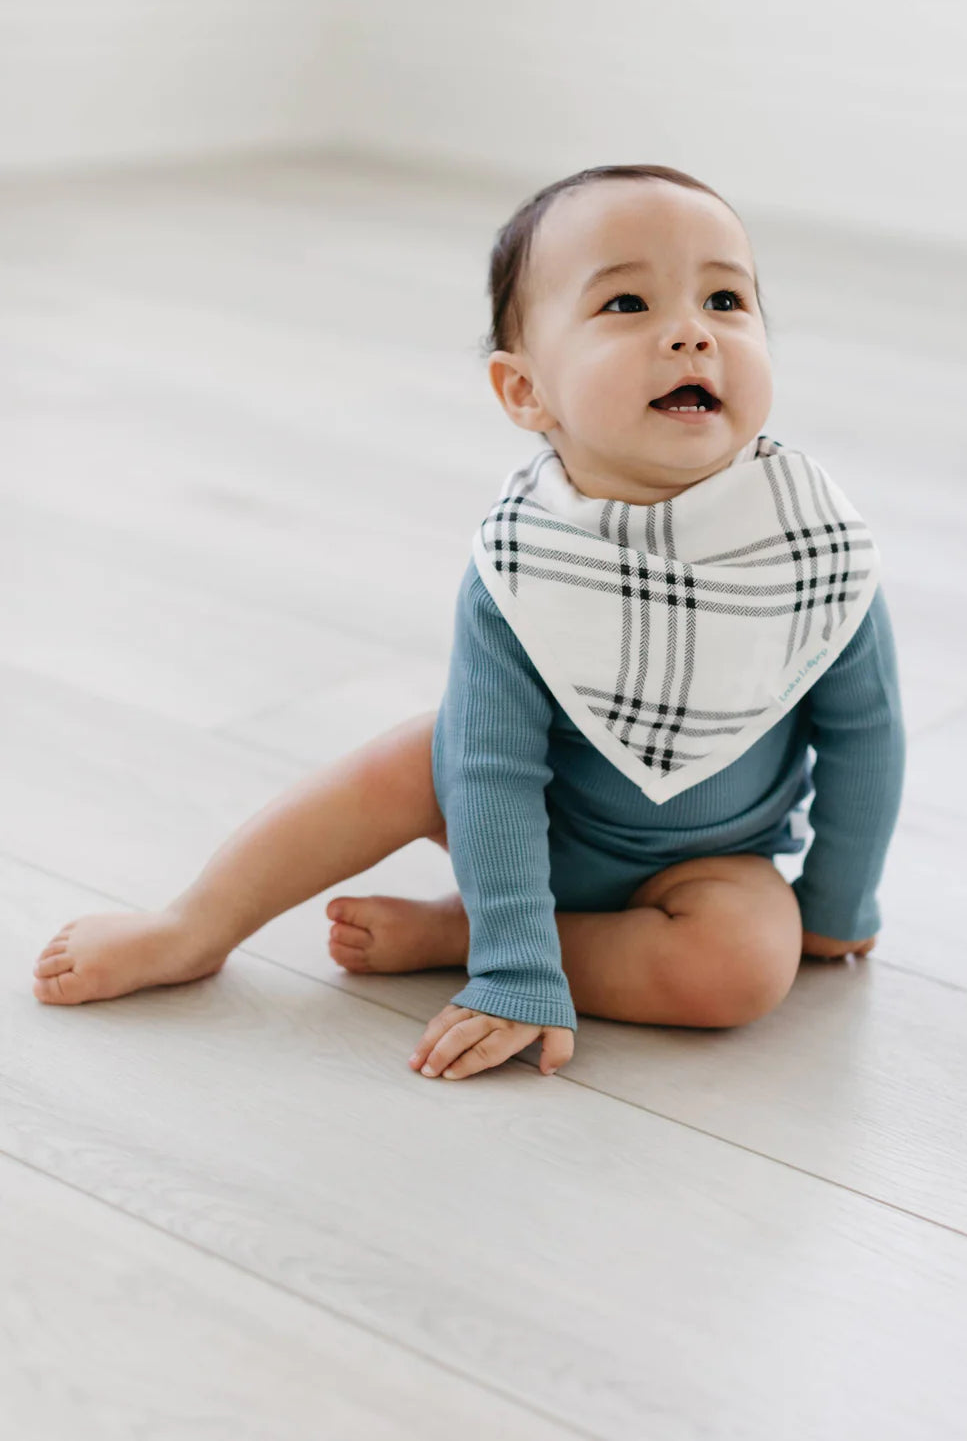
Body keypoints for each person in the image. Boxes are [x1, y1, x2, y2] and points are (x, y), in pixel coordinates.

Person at [31, 163, 906, 1085]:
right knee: (410, 759)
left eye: (724, 298)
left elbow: (866, 737)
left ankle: (457, 928)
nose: (691, 332)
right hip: (520, 818)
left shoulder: (814, 551)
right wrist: (514, 973)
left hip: (705, 866)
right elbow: (488, 770)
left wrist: (838, 899)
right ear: (527, 393)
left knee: (741, 969)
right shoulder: (523, 564)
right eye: (626, 305)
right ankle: (193, 926)